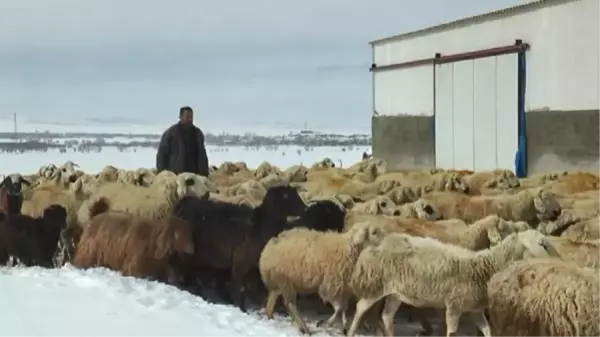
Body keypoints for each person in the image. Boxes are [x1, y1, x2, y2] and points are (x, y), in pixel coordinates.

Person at [156, 106, 209, 176]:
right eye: (187, 117)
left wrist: (204, 172)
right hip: (175, 175)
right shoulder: (171, 133)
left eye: (191, 117)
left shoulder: (197, 133)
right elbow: (162, 155)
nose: (190, 119)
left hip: (194, 176)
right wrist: (162, 174)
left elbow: (202, 155)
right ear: (180, 117)